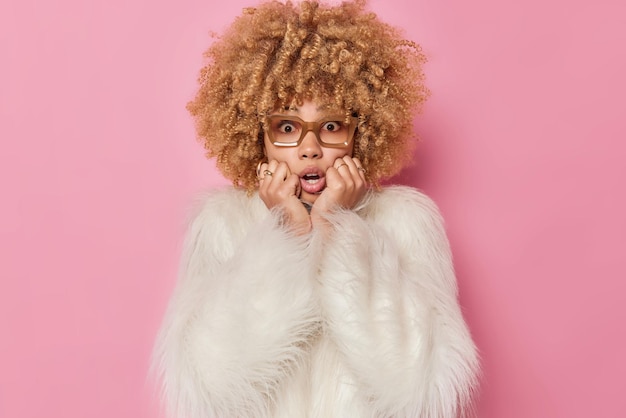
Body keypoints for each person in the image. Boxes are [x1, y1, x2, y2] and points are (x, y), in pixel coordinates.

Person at [153, 1, 479, 417]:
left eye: (331, 126)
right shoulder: (220, 224)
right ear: (258, 136)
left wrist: (335, 228)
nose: (310, 148)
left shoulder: (407, 222)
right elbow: (207, 389)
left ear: (360, 132)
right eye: (287, 127)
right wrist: (284, 234)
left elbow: (418, 388)